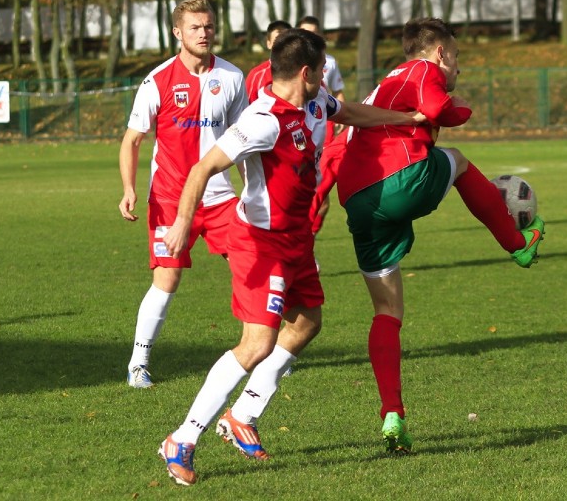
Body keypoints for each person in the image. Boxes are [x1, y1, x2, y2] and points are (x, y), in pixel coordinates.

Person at [156, 28, 425, 487]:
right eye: (322, 69)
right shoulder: (263, 119)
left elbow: (353, 111)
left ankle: (242, 415)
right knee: (257, 343)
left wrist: (407, 118)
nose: (327, 76)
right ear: (307, 72)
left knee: (306, 323)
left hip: (298, 238)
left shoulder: (317, 104)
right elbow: (204, 167)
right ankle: (181, 438)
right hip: (260, 243)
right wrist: (182, 221)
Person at [335, 17, 546, 454]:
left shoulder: (385, 83)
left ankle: (392, 413)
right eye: (457, 59)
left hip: (358, 201)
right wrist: (461, 106)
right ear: (440, 53)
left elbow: (341, 143)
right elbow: (437, 109)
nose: (458, 68)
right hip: (400, 177)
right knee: (460, 161)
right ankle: (518, 246)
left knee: (387, 310)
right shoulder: (422, 70)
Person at [118, 0, 248, 389]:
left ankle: (267, 351)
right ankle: (138, 363)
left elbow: (243, 139)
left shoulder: (232, 77)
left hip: (221, 196)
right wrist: (128, 188)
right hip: (171, 198)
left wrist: (251, 190)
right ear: (178, 32)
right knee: (167, 280)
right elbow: (132, 140)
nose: (204, 33)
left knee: (251, 266)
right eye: (195, 27)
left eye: (208, 26)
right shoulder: (157, 81)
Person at [297, 15, 346, 235]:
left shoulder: (330, 62)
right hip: (295, 134)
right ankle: (299, 241)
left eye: (314, 33)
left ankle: (307, 241)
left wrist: (341, 118)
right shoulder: (289, 63)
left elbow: (338, 93)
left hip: (323, 132)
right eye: (306, 32)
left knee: (323, 200)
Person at [245, 20, 292, 102]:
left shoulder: (303, 73)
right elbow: (246, 108)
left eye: (286, 40)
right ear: (269, 44)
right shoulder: (256, 75)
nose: (282, 44)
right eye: (277, 40)